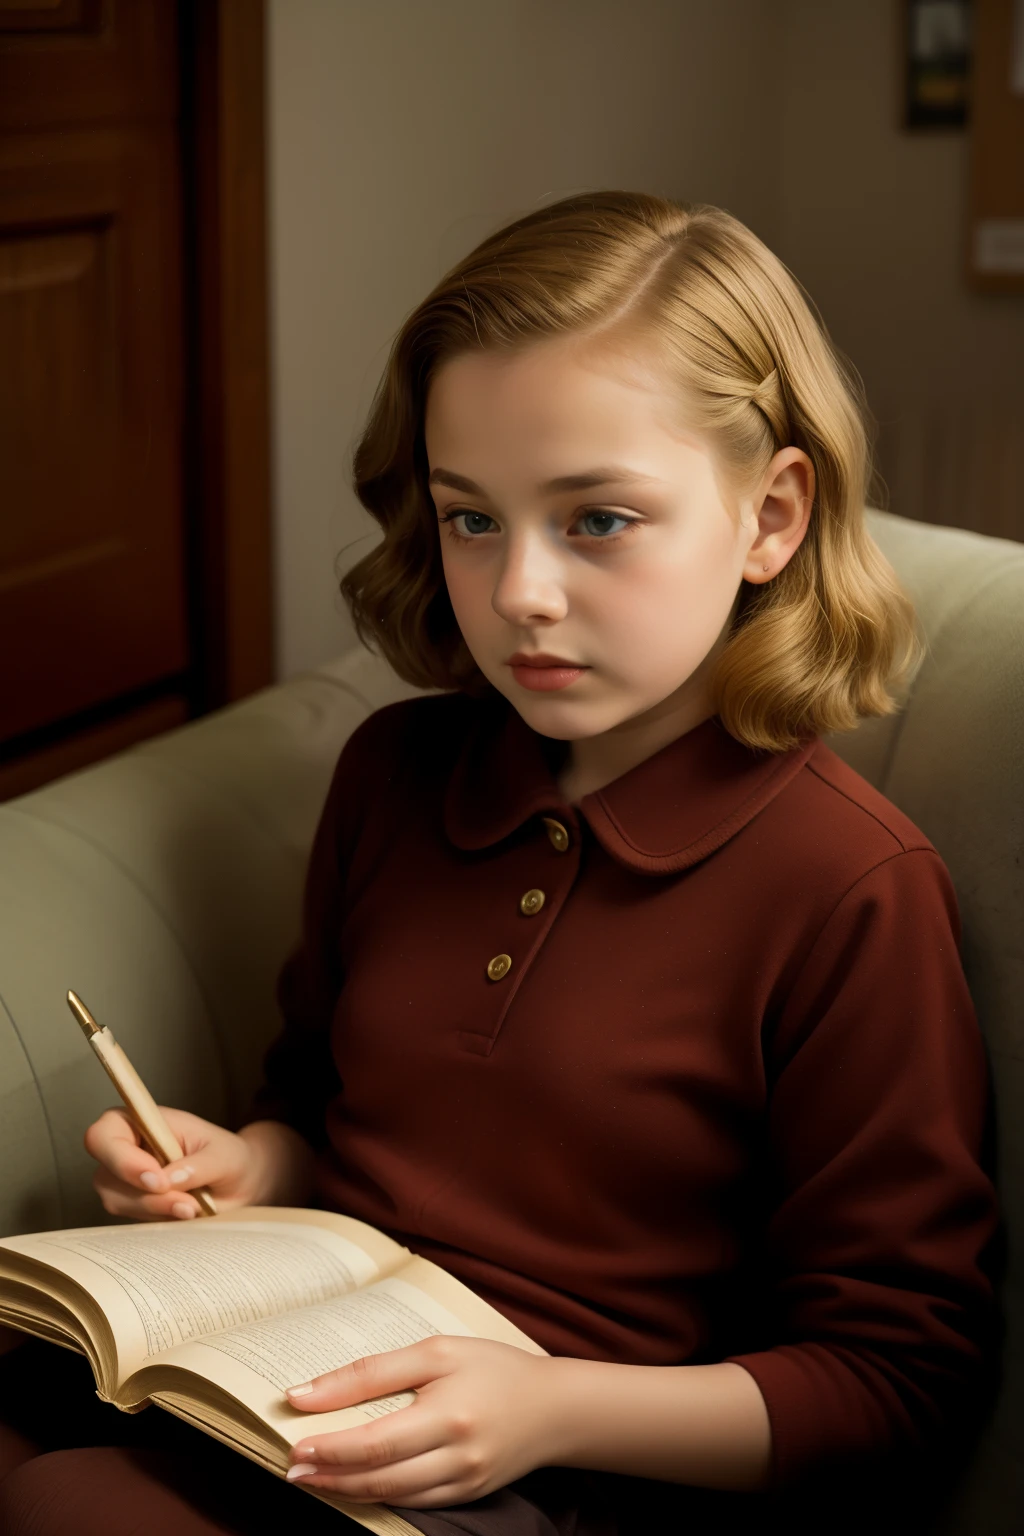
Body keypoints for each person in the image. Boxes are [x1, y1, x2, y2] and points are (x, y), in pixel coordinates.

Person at [0, 192, 1004, 1536]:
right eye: (472, 519)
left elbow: (899, 1381)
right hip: (293, 1384)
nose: (519, 591)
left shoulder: (849, 888)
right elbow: (317, 1103)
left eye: (596, 521)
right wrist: (250, 1165)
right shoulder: (396, 777)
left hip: (571, 1473)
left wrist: (548, 1407)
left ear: (769, 517)